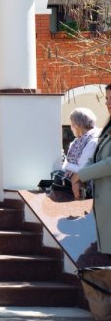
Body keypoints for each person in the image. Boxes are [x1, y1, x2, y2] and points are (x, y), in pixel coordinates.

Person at [76, 118, 111, 253]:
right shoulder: (107, 129)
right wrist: (80, 177)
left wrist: (81, 175)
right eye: (107, 98)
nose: (108, 102)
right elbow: (94, 157)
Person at [62, 108, 101, 198]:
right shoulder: (79, 140)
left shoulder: (93, 141)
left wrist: (66, 165)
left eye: (71, 124)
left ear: (77, 125)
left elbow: (83, 170)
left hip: (91, 193)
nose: (71, 128)